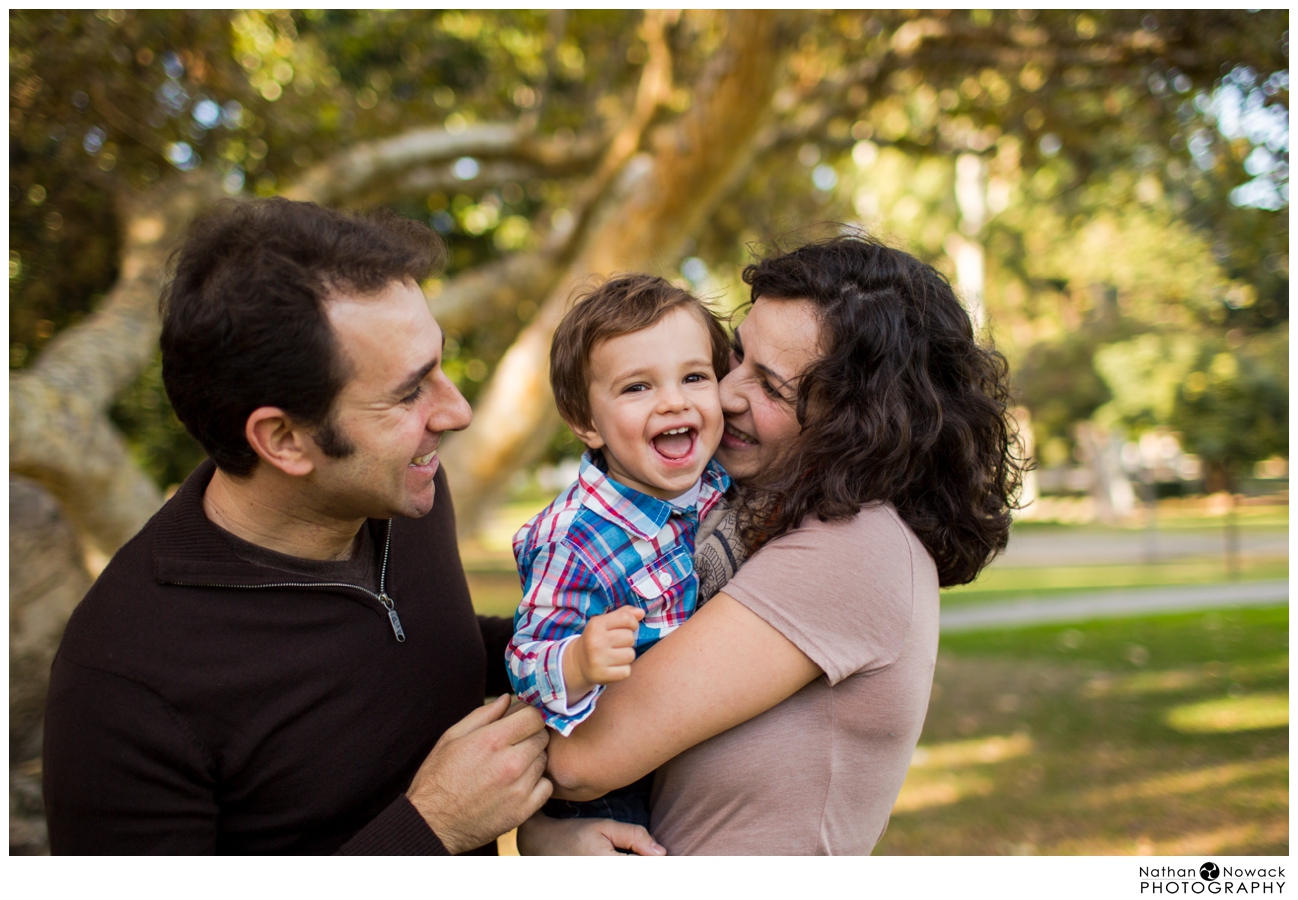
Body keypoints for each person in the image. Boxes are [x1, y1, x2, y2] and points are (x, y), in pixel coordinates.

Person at [41, 198, 658, 856]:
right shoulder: (122, 686)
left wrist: (580, 652)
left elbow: (425, 648)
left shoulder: (403, 493)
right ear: (284, 440)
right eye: (408, 392)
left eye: (440, 365)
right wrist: (434, 826)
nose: (458, 411)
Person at [522, 234, 1024, 855]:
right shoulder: (738, 520)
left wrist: (540, 828)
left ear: (857, 425)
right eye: (734, 357)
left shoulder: (853, 548)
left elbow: (581, 757)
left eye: (770, 386)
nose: (726, 393)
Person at [507, 275, 731, 826]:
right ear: (586, 422)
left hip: (682, 740)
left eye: (695, 377)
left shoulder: (716, 481)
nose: (674, 401)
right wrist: (580, 660)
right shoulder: (575, 540)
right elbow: (525, 659)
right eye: (637, 387)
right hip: (608, 778)